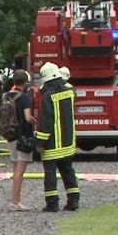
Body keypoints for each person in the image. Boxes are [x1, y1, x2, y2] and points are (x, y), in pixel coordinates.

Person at [35, 62, 79, 212]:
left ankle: (52, 204)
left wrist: (40, 142)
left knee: (50, 175)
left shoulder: (48, 97)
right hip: (68, 142)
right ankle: (73, 200)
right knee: (68, 171)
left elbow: (45, 122)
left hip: (52, 145)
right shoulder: (70, 92)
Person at [6, 69, 37, 211]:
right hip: (23, 137)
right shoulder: (24, 98)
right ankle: (16, 201)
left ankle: (15, 200)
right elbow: (27, 117)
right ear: (26, 83)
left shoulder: (6, 95)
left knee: (15, 168)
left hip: (10, 136)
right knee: (20, 171)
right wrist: (36, 122)